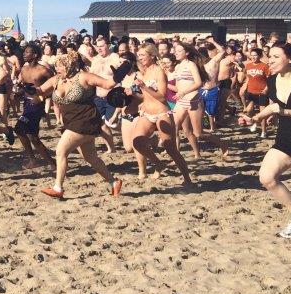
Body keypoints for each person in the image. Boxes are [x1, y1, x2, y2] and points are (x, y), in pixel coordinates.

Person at [39, 52, 122, 199]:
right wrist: (25, 90)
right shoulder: (57, 80)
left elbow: (108, 84)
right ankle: (113, 182)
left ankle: (58, 187)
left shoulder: (83, 76)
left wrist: (120, 72)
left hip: (85, 120)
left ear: (69, 66)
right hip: (71, 122)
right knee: (91, 157)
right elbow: (40, 91)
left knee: (61, 151)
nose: (57, 69)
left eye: (60, 66)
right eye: (56, 66)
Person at [239, 44, 291, 238]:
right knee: (267, 177)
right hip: (288, 136)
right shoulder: (272, 80)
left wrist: (284, 112)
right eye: (269, 56)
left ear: (290, 58)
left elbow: (281, 110)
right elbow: (274, 106)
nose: (270, 60)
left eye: (275, 56)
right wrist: (255, 118)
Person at [123, 44, 192, 187]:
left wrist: (143, 86)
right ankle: (158, 163)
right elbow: (145, 96)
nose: (140, 58)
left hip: (162, 113)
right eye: (139, 55)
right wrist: (134, 93)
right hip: (147, 113)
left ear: (152, 56)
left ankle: (187, 178)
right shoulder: (145, 71)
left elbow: (161, 96)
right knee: (137, 142)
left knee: (170, 147)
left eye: (142, 55)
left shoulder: (159, 71)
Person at [13, 43, 54, 168]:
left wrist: (42, 97)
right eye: (24, 52)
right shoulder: (24, 69)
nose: (24, 54)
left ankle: (50, 163)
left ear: (35, 55)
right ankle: (35, 159)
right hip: (26, 103)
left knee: (27, 132)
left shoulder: (44, 70)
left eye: (27, 52)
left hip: (37, 106)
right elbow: (24, 87)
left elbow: (54, 86)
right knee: (23, 131)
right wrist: (18, 92)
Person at [241, 47, 272, 138]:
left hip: (261, 93)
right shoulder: (248, 65)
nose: (253, 57)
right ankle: (253, 123)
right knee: (248, 111)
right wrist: (244, 85)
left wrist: (266, 89)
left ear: (259, 56)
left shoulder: (264, 66)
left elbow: (270, 79)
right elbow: (247, 77)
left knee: (262, 114)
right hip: (250, 91)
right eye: (252, 55)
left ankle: (263, 131)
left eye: (255, 55)